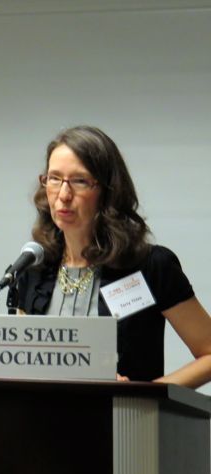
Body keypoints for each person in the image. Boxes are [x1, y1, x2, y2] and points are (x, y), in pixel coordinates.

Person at [16, 125, 211, 386]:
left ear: (108, 191)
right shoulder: (34, 269)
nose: (63, 195)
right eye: (54, 178)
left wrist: (145, 395)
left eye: (80, 181)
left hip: (123, 412)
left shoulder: (151, 267)